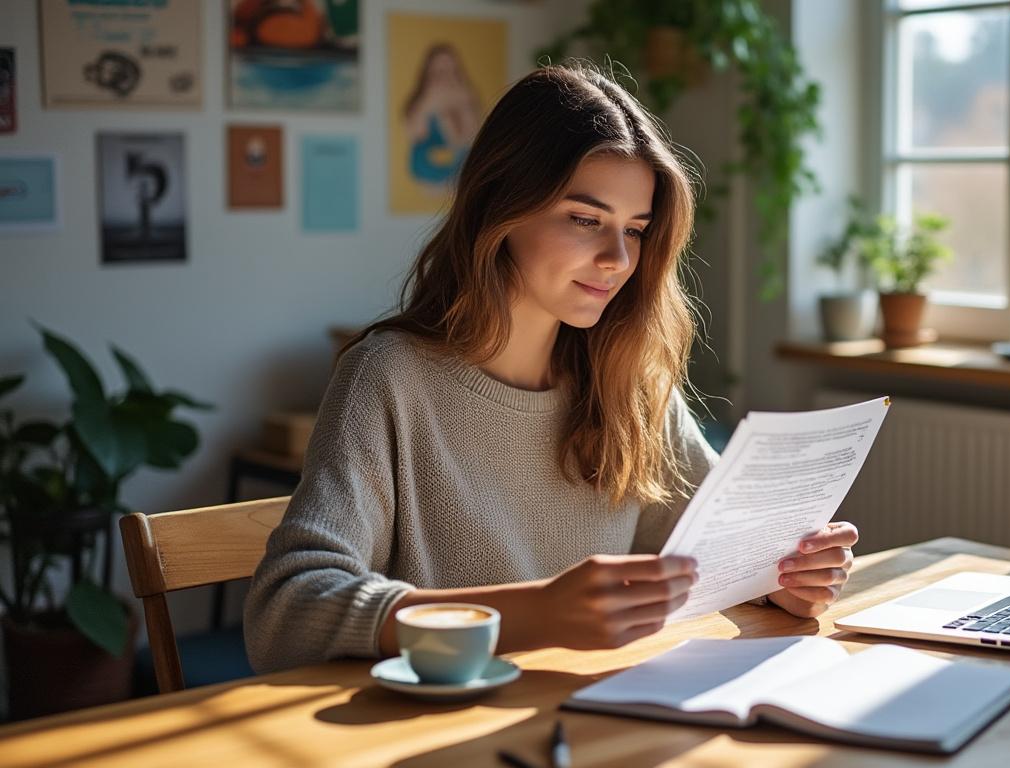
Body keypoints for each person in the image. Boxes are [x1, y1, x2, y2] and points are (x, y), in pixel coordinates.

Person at [243, 63, 859, 674]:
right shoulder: (388, 378)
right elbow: (286, 612)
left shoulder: (628, 381)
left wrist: (782, 577)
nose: (618, 259)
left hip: (598, 720)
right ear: (501, 208)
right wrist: (535, 613)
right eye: (585, 219)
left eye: (635, 230)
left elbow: (724, 554)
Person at [402, 44, 482, 188]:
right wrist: (430, 102)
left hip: (457, 174)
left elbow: (468, 138)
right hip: (425, 173)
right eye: (438, 72)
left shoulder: (465, 99)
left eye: (450, 71)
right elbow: (415, 133)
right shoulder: (419, 102)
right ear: (427, 73)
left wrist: (458, 107)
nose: (444, 78)